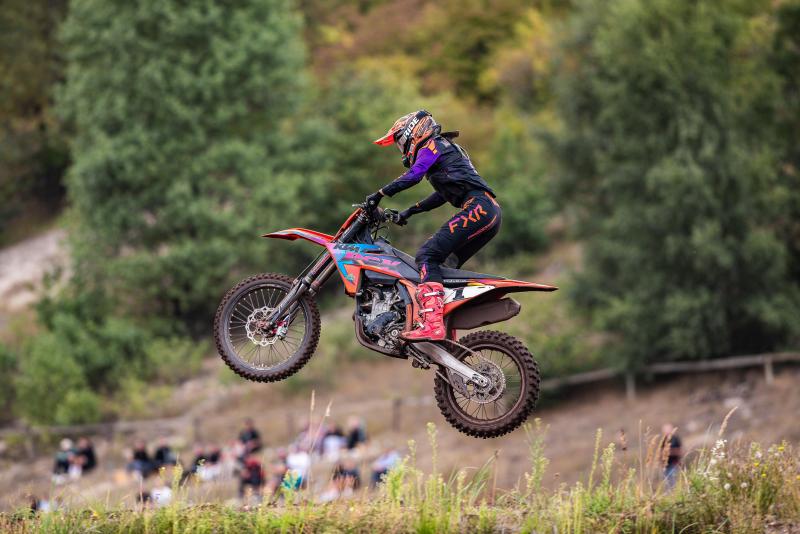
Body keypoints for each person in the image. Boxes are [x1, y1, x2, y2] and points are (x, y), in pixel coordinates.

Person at [369, 110, 501, 341]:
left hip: (478, 208)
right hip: (488, 211)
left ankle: (432, 325)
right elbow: (441, 195)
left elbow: (413, 175)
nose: (401, 148)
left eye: (400, 142)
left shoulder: (433, 145)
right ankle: (447, 333)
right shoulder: (444, 149)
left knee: (427, 256)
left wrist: (379, 194)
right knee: (443, 268)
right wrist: (409, 211)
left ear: (413, 132)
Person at [661, 423, 682, 488]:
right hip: (665, 465)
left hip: (674, 464)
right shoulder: (663, 440)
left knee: (673, 481)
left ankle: (673, 492)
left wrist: (669, 452)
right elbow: (661, 451)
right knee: (666, 482)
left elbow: (680, 451)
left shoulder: (676, 439)